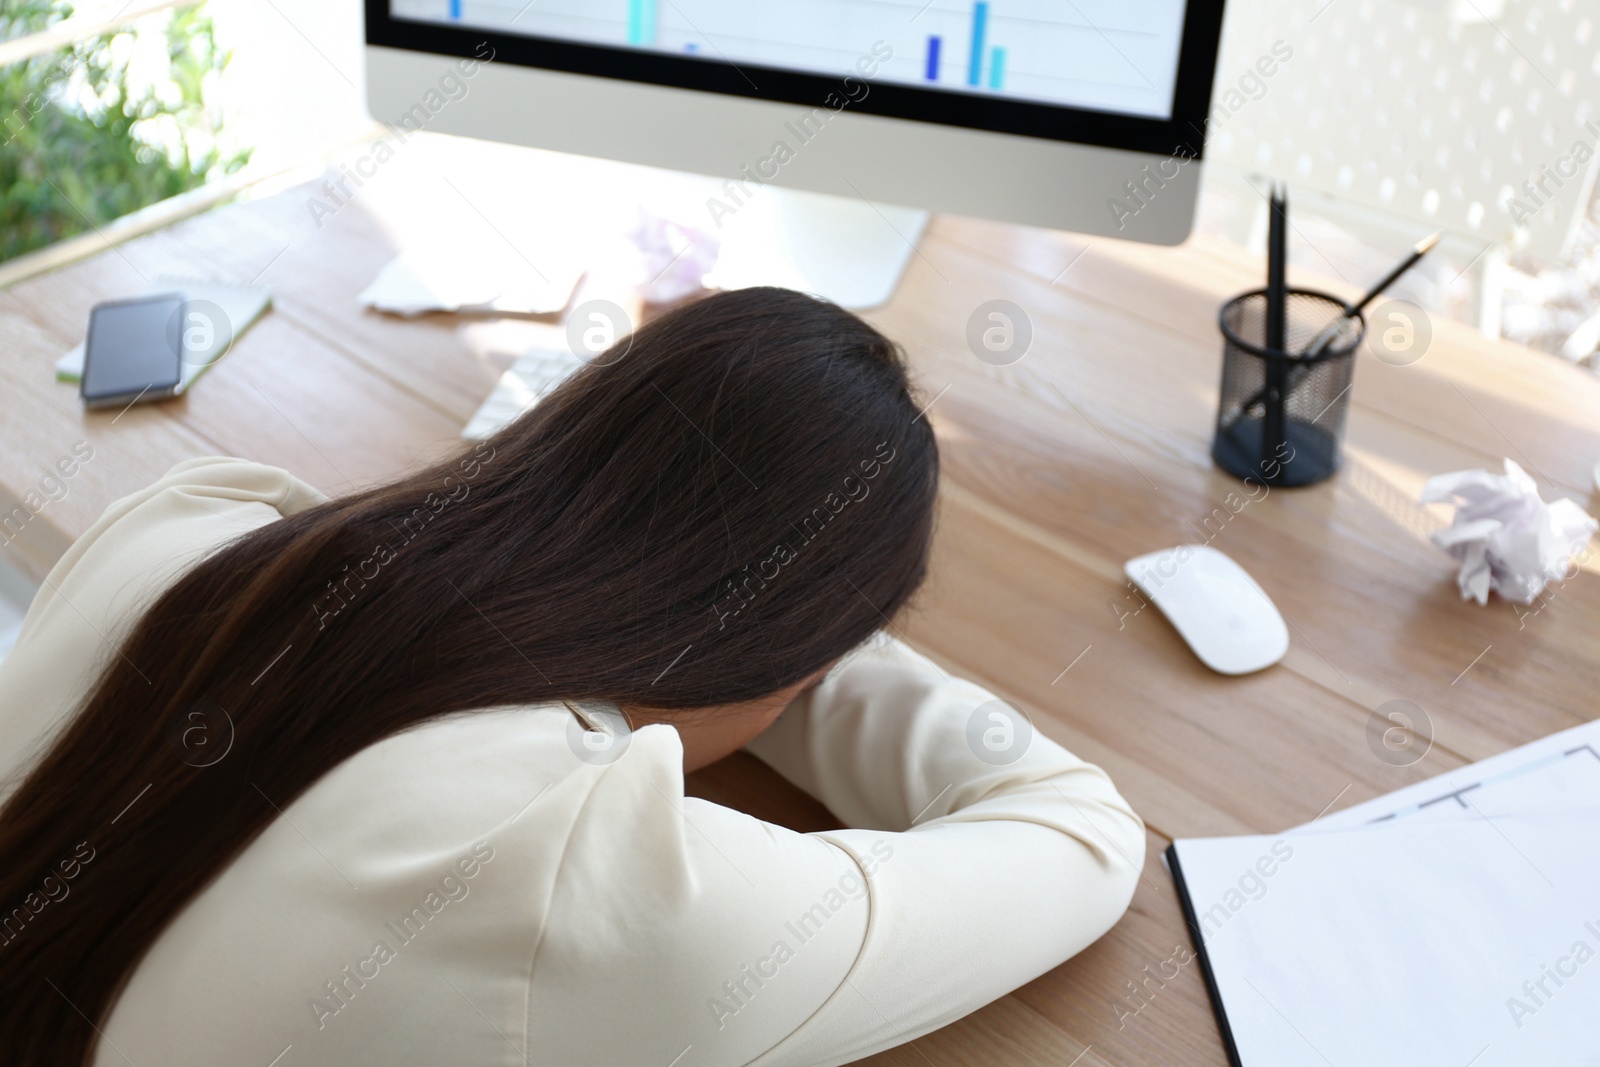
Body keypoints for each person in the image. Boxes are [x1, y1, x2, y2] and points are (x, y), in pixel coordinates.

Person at [0, 287, 1143, 1066]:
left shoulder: (186, 533)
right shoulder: (599, 883)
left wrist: (711, 582)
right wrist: (807, 613)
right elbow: (1080, 833)